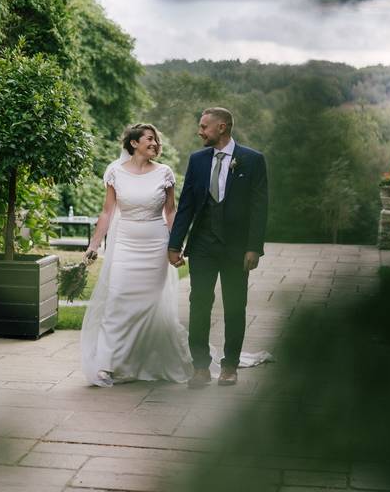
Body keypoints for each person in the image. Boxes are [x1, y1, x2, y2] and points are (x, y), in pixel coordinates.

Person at [80, 124, 193, 387]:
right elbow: (107, 212)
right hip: (125, 245)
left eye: (156, 141)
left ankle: (147, 359)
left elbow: (171, 212)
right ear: (134, 143)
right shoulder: (115, 172)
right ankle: (108, 364)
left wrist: (176, 245)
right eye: (150, 139)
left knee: (151, 304)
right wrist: (94, 245)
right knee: (117, 299)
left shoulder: (164, 173)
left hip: (155, 246)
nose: (155, 144)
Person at [168, 107, 269, 388]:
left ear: (222, 127)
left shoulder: (252, 160)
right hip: (202, 245)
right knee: (199, 304)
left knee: (235, 307)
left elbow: (260, 208)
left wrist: (254, 248)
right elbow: (186, 204)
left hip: (237, 249)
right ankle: (200, 367)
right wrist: (174, 244)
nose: (200, 131)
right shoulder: (197, 160)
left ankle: (230, 366)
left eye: (204, 126)